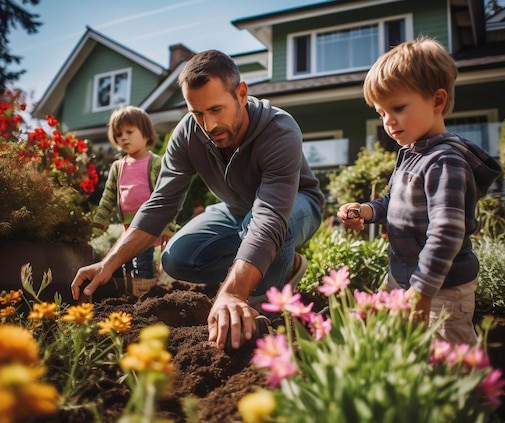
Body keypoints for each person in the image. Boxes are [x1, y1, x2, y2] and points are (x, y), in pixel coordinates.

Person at [72, 50, 324, 349]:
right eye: (198, 113)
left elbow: (268, 218)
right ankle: (282, 263)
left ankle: (264, 291)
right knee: (176, 258)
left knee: (258, 233)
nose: (208, 125)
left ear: (241, 94)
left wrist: (233, 293)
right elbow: (160, 204)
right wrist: (109, 263)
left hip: (295, 205)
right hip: (235, 209)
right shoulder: (188, 135)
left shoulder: (279, 130)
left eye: (217, 109)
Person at [337, 37, 502, 345]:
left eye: (397, 107)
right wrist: (367, 210)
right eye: (381, 112)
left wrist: (423, 290)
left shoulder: (445, 161)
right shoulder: (413, 154)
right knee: (408, 353)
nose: (388, 121)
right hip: (405, 279)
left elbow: (447, 231)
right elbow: (393, 202)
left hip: (442, 288)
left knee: (450, 361)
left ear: (437, 101)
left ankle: (471, 394)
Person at [91, 105, 164, 296]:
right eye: (119, 134)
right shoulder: (118, 166)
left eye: (129, 132)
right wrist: (100, 219)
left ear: (147, 134)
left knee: (142, 261)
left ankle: (146, 296)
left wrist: (168, 226)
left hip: (147, 225)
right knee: (126, 262)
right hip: (127, 227)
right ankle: (131, 295)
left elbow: (166, 197)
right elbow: (108, 196)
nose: (123, 137)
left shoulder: (155, 162)